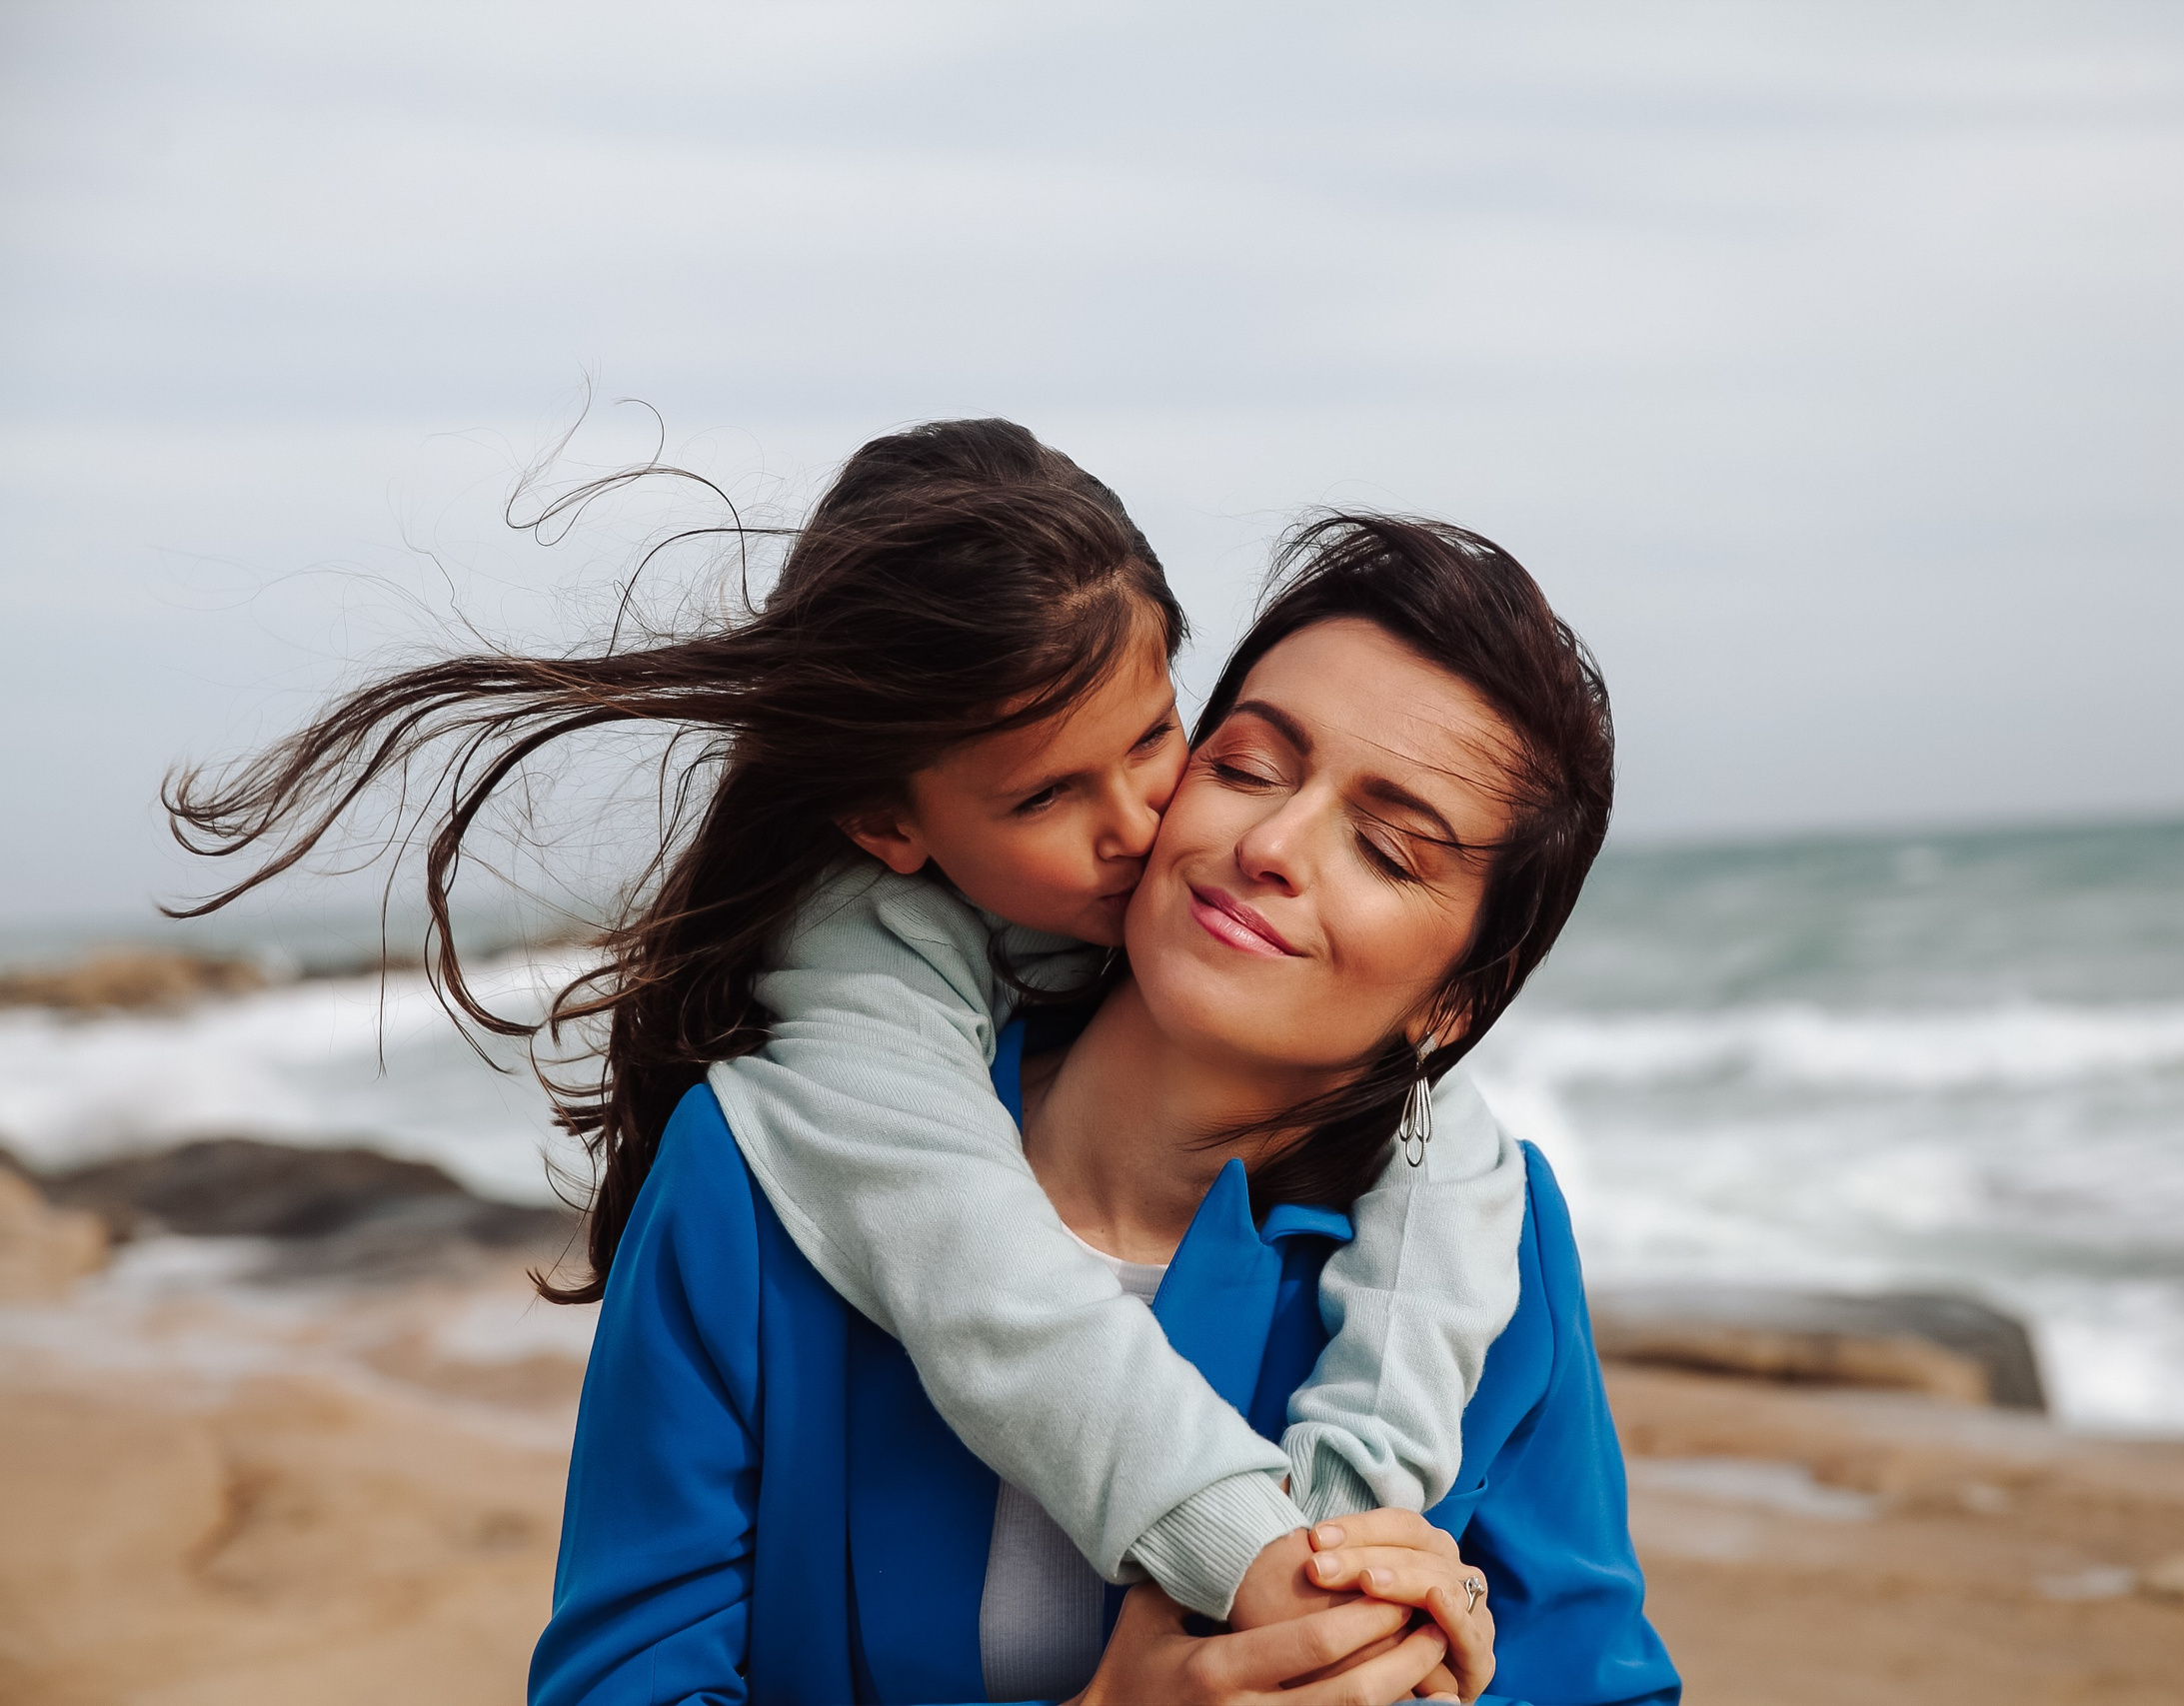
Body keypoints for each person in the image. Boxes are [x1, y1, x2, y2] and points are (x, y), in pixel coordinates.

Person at [158, 425, 1534, 1663]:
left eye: (1166, 739)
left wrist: (1369, 1615)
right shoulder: (759, 1164)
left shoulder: (1482, 1216)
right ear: (892, 826)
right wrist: (1232, 1595)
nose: (1140, 823)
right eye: (1050, 791)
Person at [529, 515, 1678, 1702]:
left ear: (1459, 1000)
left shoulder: (1492, 1247)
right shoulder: (749, 1179)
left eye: (1385, 849)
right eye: (1244, 767)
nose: (1274, 842)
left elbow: (1594, 1680)